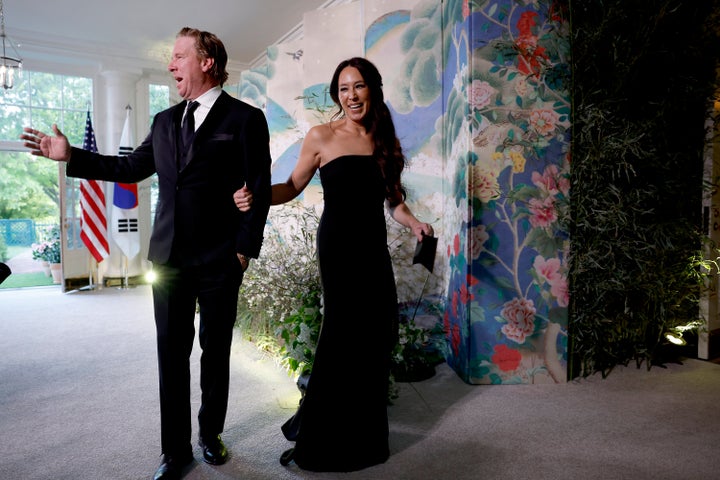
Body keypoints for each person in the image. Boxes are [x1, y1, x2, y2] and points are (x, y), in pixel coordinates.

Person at [21, 27, 272, 480]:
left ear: (207, 62)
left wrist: (243, 250)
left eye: (178, 57)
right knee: (170, 356)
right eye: (170, 58)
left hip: (220, 260)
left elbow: (258, 186)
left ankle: (210, 434)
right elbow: (128, 169)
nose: (171, 65)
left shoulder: (245, 119)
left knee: (215, 354)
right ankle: (174, 451)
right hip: (169, 259)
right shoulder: (163, 122)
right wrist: (70, 155)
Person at [233, 56, 434, 472]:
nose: (351, 95)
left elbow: (393, 200)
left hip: (372, 246)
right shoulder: (321, 136)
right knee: (342, 334)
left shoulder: (384, 139)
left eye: (358, 86)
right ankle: (323, 436)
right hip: (339, 245)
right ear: (336, 95)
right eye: (343, 89)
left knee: (376, 332)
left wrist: (414, 222)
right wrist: (257, 196)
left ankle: (365, 435)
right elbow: (291, 186)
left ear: (372, 89)